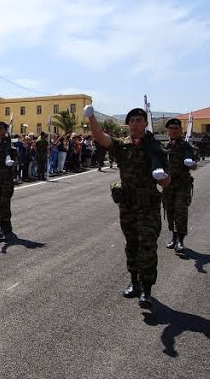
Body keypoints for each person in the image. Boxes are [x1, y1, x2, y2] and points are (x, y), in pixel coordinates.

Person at [85, 105, 170, 309]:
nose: (134, 124)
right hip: (128, 205)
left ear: (145, 123)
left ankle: (146, 289)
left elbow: (167, 183)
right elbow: (100, 137)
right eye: (131, 121)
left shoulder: (156, 148)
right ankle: (134, 282)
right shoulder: (122, 146)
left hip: (148, 207)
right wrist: (92, 118)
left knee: (147, 246)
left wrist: (163, 178)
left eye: (139, 120)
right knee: (131, 244)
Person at [162, 118, 197, 253]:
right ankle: (174, 237)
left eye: (176, 128)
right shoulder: (164, 147)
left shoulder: (186, 146)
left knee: (181, 211)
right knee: (169, 210)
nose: (173, 131)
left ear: (181, 130)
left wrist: (191, 163)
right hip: (168, 184)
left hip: (182, 185)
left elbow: (193, 165)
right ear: (167, 131)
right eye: (171, 128)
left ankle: (181, 240)